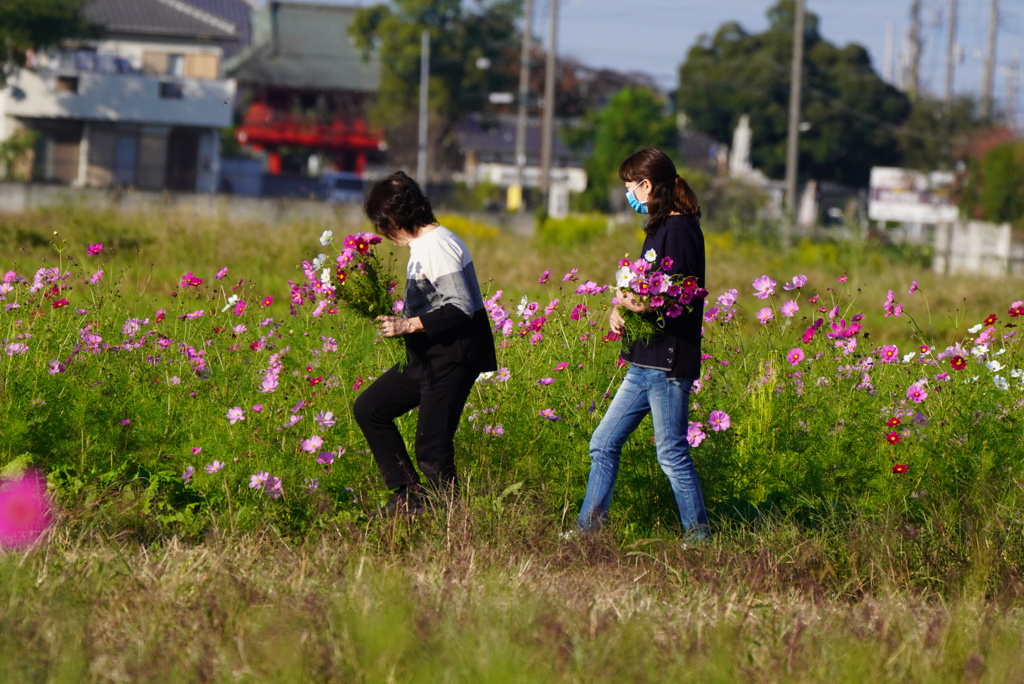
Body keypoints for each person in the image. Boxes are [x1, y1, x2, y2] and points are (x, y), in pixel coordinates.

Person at [574, 148, 710, 539]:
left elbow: (677, 296)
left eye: (630, 186)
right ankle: (589, 532)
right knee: (603, 443)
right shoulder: (659, 227)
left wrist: (633, 302)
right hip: (643, 361)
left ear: (647, 185)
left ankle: (699, 538)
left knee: (671, 453)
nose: (628, 194)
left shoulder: (680, 230)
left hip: (667, 363)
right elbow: (646, 290)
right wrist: (621, 310)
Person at [353, 171, 497, 516]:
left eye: (381, 224)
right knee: (370, 408)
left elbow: (460, 307)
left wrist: (408, 325)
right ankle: (408, 497)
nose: (382, 233)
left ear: (394, 219)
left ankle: (450, 523)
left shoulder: (437, 245)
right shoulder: (424, 244)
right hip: (427, 356)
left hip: (453, 356)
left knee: (432, 447)